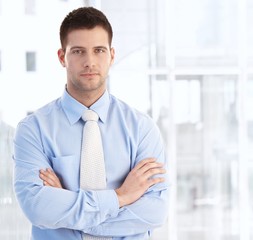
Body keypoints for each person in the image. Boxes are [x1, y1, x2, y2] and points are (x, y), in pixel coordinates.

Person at [13, 6, 169, 240]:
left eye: (98, 50)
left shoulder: (142, 129)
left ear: (112, 55)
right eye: (78, 51)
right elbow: (39, 208)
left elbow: (154, 212)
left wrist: (69, 207)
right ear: (61, 57)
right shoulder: (32, 130)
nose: (89, 62)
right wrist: (121, 197)